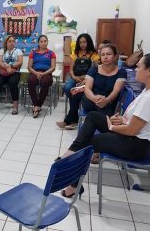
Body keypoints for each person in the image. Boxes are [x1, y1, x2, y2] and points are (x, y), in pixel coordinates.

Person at [57, 53, 150, 198]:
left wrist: (112, 127)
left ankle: (74, 184)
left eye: (138, 67)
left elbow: (132, 130)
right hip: (130, 134)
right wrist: (120, 120)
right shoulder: (146, 90)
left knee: (89, 144)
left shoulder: (149, 98)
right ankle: (71, 153)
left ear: (149, 71)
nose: (136, 69)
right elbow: (136, 122)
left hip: (137, 146)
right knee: (93, 116)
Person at [57, 34, 100, 129]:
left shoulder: (94, 55)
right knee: (67, 88)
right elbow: (71, 70)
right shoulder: (75, 54)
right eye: (80, 42)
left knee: (75, 94)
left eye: (84, 42)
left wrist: (86, 78)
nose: (82, 44)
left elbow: (96, 71)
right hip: (75, 77)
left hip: (88, 80)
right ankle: (74, 118)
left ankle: (70, 119)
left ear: (88, 42)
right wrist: (74, 77)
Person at [0, 35, 23, 114]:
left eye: (13, 41)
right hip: (3, 72)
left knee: (13, 82)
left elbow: (20, 62)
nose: (11, 43)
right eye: (9, 41)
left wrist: (11, 66)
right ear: (6, 43)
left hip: (14, 72)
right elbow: (0, 62)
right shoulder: (1, 51)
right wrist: (6, 67)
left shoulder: (18, 51)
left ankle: (15, 105)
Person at [27, 35, 56, 118]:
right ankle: (36, 105)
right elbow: (29, 67)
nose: (43, 43)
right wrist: (36, 73)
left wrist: (43, 74)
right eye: (41, 41)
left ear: (47, 42)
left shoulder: (51, 53)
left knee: (44, 82)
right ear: (38, 43)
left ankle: (38, 105)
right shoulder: (33, 53)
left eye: (45, 41)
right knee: (30, 81)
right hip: (35, 72)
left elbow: (53, 67)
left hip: (46, 73)